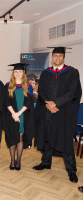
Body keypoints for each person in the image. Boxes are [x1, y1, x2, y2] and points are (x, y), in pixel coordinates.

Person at [33, 47, 82, 183]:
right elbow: (41, 91)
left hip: (63, 113)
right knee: (47, 137)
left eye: (60, 56)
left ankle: (72, 171)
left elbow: (73, 93)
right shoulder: (45, 73)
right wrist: (49, 104)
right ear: (52, 57)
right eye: (55, 56)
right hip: (48, 111)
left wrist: (56, 103)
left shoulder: (72, 72)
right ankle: (45, 163)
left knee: (65, 141)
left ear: (63, 57)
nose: (57, 58)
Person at [3, 63, 34, 171]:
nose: (18, 73)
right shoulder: (8, 86)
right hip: (10, 116)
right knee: (12, 138)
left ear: (23, 73)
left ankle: (19, 160)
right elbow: (6, 101)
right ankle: (12, 160)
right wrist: (13, 114)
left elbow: (29, 102)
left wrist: (18, 114)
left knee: (20, 138)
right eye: (16, 71)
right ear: (13, 73)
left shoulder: (28, 86)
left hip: (23, 116)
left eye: (20, 71)